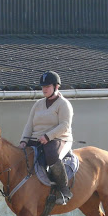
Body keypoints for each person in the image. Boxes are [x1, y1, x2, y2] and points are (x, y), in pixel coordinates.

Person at [19, 71, 74, 204]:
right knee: (21, 155)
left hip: (59, 138)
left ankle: (64, 191)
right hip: (37, 139)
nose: (44, 89)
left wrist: (48, 136)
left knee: (51, 155)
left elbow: (65, 125)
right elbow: (29, 125)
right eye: (43, 86)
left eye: (47, 86)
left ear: (56, 86)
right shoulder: (38, 104)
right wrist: (23, 141)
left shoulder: (64, 104)